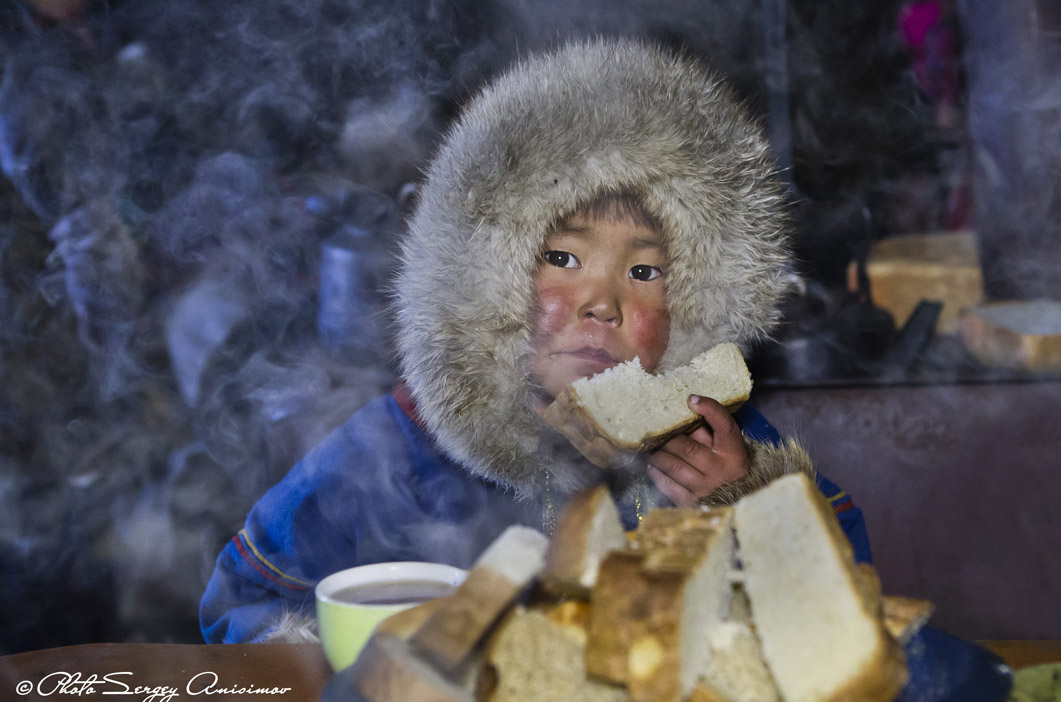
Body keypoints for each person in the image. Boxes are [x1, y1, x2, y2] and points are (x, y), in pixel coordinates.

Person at [201, 39, 870, 644]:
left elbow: (849, 606)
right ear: (486, 277)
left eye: (645, 271)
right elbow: (241, 597)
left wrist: (747, 508)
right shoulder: (397, 445)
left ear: (693, 304)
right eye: (562, 258)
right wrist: (311, 662)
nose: (602, 302)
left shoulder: (716, 447)